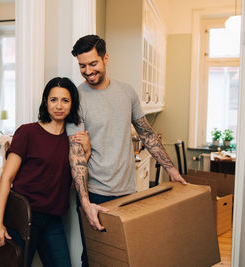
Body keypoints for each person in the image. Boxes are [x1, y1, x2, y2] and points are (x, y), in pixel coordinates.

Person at [66, 35, 187, 267]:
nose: (88, 71)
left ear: (106, 58)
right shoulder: (76, 99)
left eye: (93, 64)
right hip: (96, 194)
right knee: (94, 258)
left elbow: (146, 133)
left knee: (123, 257)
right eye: (82, 66)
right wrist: (85, 202)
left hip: (128, 191)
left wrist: (172, 169)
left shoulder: (127, 92)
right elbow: (76, 154)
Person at [0, 77, 89, 267]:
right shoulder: (27, 132)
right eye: (53, 99)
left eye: (65, 100)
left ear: (72, 104)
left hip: (53, 221)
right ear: (46, 102)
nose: (58, 106)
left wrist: (88, 150)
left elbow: (73, 179)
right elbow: (7, 177)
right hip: (23, 217)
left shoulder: (72, 140)